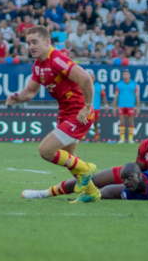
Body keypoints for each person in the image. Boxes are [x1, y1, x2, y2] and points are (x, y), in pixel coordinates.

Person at [5, 26, 101, 204]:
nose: (31, 46)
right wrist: (16, 97)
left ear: (47, 42)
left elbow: (86, 79)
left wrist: (87, 107)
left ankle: (88, 169)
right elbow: (30, 92)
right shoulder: (38, 66)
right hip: (65, 113)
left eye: (35, 42)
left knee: (46, 150)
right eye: (28, 43)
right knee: (70, 160)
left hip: (79, 114)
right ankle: (91, 192)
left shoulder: (56, 59)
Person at [113, 69, 140, 144]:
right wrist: (114, 107)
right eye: (124, 74)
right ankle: (122, 138)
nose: (125, 76)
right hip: (121, 105)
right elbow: (116, 96)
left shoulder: (134, 84)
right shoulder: (119, 84)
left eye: (127, 74)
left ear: (129, 75)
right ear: (122, 75)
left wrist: (138, 107)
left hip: (131, 105)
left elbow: (137, 96)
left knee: (131, 121)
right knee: (122, 121)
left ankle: (130, 139)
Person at [90, 72, 108, 142]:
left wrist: (106, 105)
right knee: (85, 124)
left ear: (95, 78)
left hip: (96, 108)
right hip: (88, 108)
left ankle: (97, 139)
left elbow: (103, 96)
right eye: (90, 77)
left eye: (93, 77)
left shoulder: (99, 86)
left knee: (96, 123)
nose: (92, 79)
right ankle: (83, 139)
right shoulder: (86, 85)